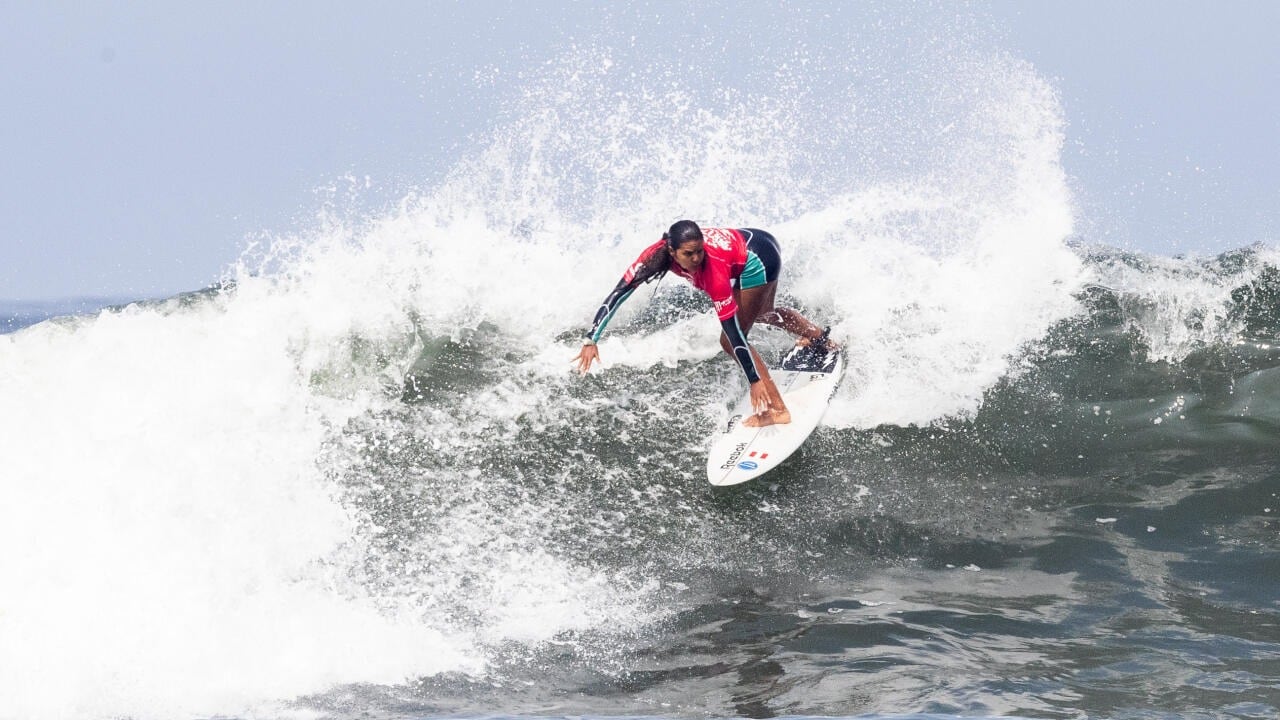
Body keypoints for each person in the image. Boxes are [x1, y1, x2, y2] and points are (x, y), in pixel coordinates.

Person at [573, 220, 835, 427]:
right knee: (764, 313)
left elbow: (734, 335)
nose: (696, 258)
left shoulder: (713, 271)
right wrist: (591, 339)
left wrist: (754, 380)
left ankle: (778, 410)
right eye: (689, 254)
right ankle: (819, 338)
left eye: (699, 251)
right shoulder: (654, 256)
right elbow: (619, 292)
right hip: (758, 241)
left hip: (758, 258)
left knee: (729, 340)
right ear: (671, 250)